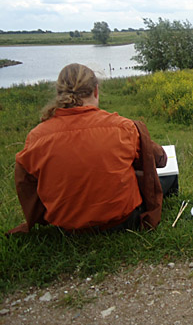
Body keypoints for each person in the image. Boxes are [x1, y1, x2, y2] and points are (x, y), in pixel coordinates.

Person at [8, 63, 169, 234]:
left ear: (59, 94)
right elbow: (160, 159)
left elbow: (25, 184)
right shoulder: (123, 128)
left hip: (65, 226)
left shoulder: (36, 137)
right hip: (121, 220)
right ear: (96, 91)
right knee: (163, 180)